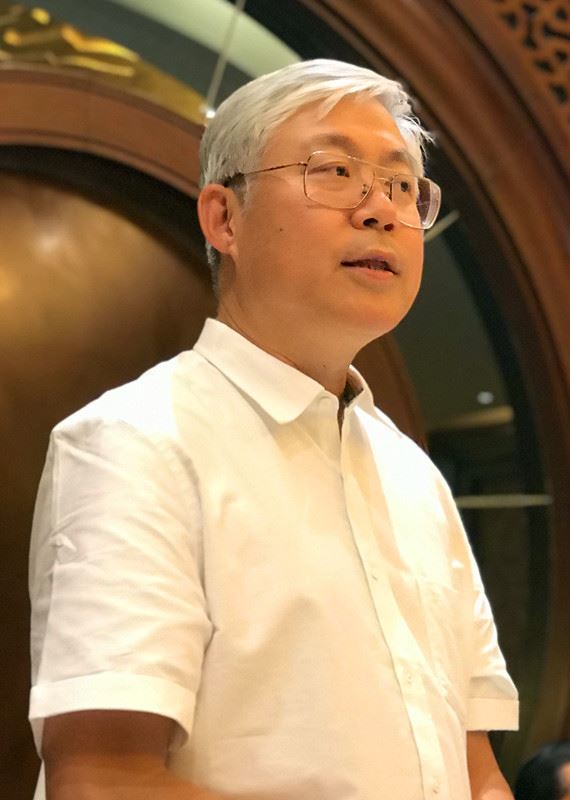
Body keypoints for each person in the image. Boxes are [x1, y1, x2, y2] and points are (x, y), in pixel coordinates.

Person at [29, 58, 519, 800]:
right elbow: (103, 781)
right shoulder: (134, 443)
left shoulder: (417, 479)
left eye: (399, 185)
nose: (381, 210)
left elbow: (475, 771)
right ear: (225, 218)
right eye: (335, 172)